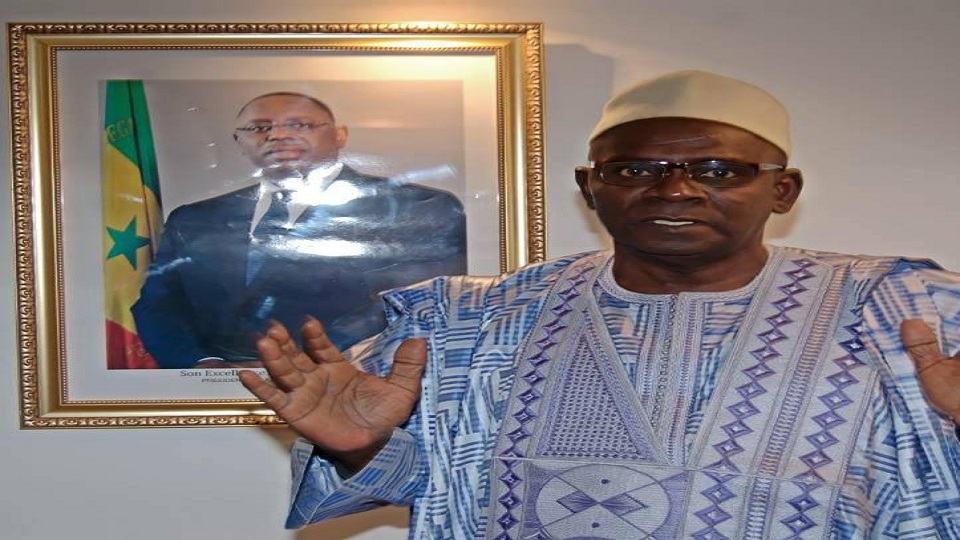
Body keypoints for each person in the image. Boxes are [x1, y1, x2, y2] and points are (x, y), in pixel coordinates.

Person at [239, 72, 960, 537]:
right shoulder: (468, 325)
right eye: (635, 169)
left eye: (718, 170)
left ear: (782, 189)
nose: (675, 190)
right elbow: (431, 488)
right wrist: (361, 444)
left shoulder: (905, 312)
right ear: (591, 189)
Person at [132, 92, 467, 369]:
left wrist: (306, 363)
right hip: (219, 385)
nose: (277, 136)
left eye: (299, 125)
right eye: (259, 127)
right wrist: (202, 363)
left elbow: (418, 302)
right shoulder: (194, 218)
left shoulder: (417, 207)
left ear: (340, 135)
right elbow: (157, 305)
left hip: (354, 381)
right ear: (239, 141)